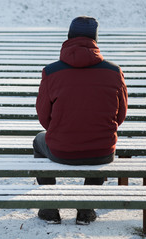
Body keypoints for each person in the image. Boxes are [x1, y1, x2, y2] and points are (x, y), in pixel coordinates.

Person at [33, 16, 128, 225]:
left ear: (68, 37)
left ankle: (49, 208)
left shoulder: (51, 72)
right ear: (95, 39)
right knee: (99, 142)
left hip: (62, 150)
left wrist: (62, 130)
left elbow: (43, 117)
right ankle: (85, 209)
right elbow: (120, 116)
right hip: (102, 151)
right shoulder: (114, 72)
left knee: (38, 141)